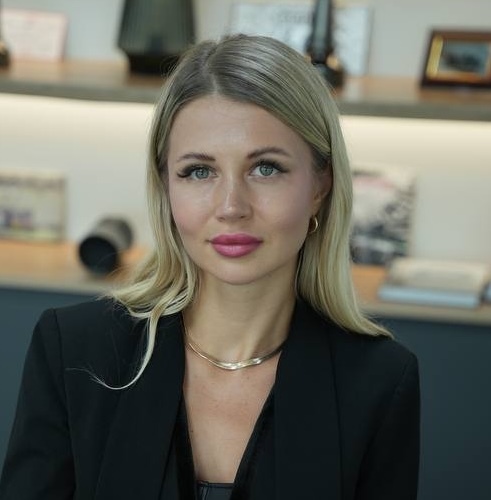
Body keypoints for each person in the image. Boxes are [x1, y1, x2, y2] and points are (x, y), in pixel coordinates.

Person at [0, 34, 420, 500]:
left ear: (320, 185)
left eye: (266, 168)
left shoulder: (380, 380)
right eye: (199, 171)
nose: (231, 207)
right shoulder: (73, 351)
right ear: (166, 187)